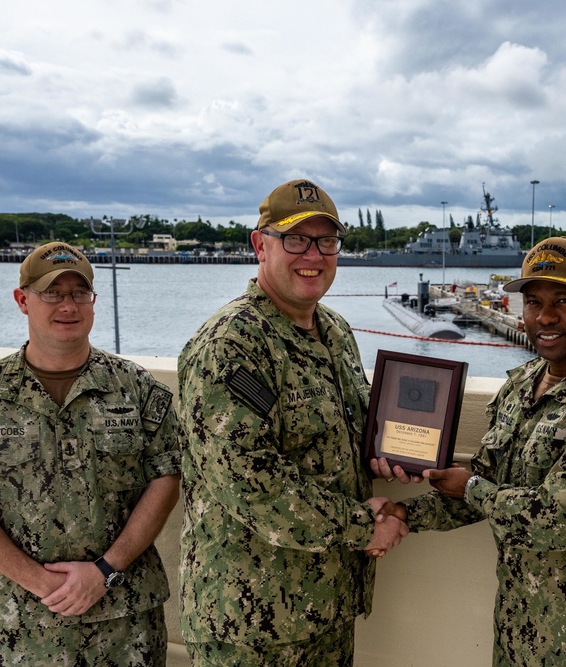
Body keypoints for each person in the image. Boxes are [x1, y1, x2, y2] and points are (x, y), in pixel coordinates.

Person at [374, 237, 566, 665]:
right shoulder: (521, 384)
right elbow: (485, 488)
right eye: (532, 303)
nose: (545, 317)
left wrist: (471, 488)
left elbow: (559, 521)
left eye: (563, 300)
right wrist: (405, 514)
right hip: (519, 629)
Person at [177, 178, 407, 666]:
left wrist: (397, 449)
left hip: (325, 608)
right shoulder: (231, 344)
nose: (315, 255)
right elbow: (249, 482)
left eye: (327, 241)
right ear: (261, 245)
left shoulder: (336, 332)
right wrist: (363, 525)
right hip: (250, 622)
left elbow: (356, 427)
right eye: (297, 239)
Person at [0, 242, 181, 665]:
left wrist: (105, 570)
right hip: (21, 626)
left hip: (126, 625)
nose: (68, 305)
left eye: (79, 293)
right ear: (22, 300)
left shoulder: (137, 390)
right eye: (52, 293)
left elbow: (166, 478)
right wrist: (40, 582)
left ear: (92, 301)